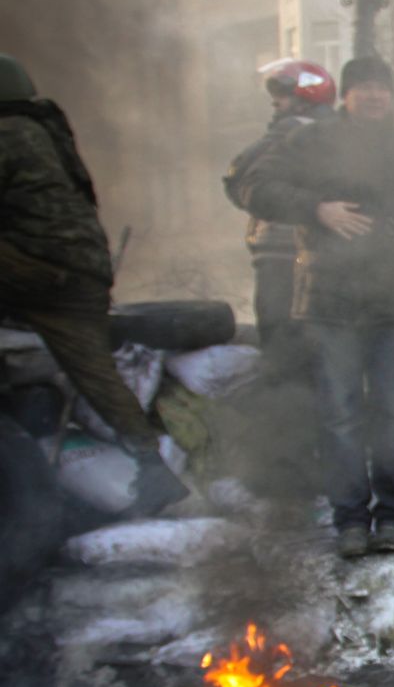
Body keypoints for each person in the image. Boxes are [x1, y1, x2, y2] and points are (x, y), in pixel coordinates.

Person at [239, 56, 394, 559]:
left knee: (391, 417)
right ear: (347, 96)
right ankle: (351, 520)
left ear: (393, 97)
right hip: (328, 300)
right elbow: (252, 186)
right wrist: (316, 209)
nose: (375, 96)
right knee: (339, 415)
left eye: (383, 88)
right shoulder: (310, 142)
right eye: (365, 88)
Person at [0, 53, 186, 517]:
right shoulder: (44, 132)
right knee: (95, 373)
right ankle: (151, 463)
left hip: (35, 269)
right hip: (79, 274)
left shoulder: (6, 136)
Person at [223, 59, 334, 515]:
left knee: (288, 362)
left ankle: (290, 471)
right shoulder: (302, 135)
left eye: (284, 96)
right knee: (305, 363)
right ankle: (301, 467)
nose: (277, 105)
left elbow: (237, 177)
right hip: (297, 263)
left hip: (288, 264)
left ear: (307, 94)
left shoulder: (300, 137)